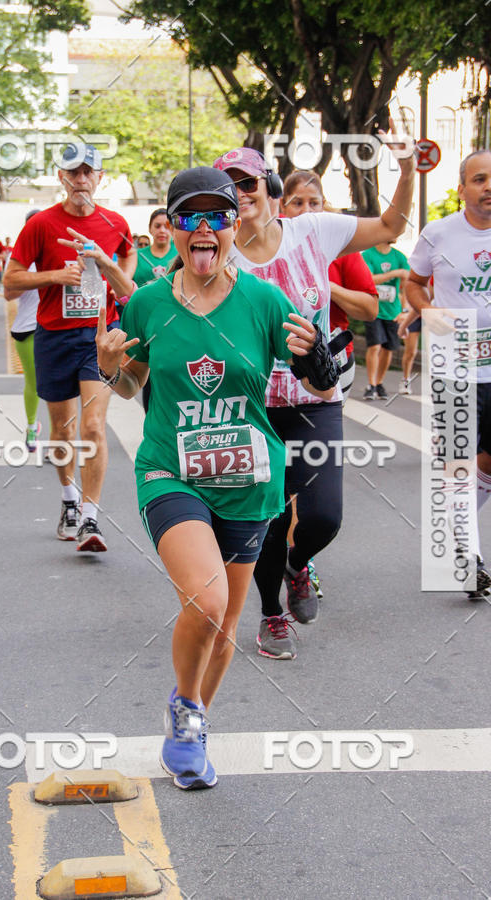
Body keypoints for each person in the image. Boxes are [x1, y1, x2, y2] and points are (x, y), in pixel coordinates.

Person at [95, 166, 338, 789]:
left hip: (250, 479)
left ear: (235, 224)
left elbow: (317, 385)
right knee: (204, 602)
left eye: (217, 216)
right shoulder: (147, 302)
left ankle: (195, 721)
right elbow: (130, 387)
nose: (204, 228)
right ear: (173, 227)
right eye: (189, 216)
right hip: (170, 471)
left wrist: (317, 359)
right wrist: (108, 367)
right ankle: (184, 705)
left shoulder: (263, 299)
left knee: (226, 621)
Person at [213, 133, 414, 658]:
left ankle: (298, 567)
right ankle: (272, 615)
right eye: (228, 188)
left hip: (315, 399)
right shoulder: (217, 259)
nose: (240, 194)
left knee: (324, 516)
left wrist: (408, 169)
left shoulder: (316, 231)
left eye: (248, 183)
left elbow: (391, 226)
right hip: (253, 409)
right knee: (267, 519)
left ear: (270, 188)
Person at [3, 143, 136, 551]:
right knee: (62, 430)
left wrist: (118, 280)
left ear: (100, 177)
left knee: (94, 425)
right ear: (61, 177)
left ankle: (92, 518)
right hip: (54, 335)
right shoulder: (41, 225)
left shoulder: (115, 222)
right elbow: (10, 283)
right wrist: (56, 275)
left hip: (99, 338)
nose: (81, 180)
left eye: (88, 173)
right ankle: (68, 499)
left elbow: (128, 254)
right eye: (73, 173)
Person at [406, 148, 491, 599]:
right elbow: (414, 283)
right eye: (479, 179)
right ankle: (469, 557)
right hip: (454, 363)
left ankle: (458, 525)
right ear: (462, 189)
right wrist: (427, 311)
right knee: (458, 465)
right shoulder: (438, 234)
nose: (488, 187)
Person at [281, 171, 378, 404]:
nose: (306, 211)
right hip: (274, 365)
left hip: (329, 360)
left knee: (322, 435)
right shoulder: (266, 247)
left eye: (314, 203)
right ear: (282, 206)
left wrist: (327, 286)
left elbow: (370, 309)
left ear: (323, 205)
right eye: (297, 203)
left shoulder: (340, 247)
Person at [133, 208, 179, 412]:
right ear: (150, 229)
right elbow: (127, 287)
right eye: (157, 225)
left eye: (166, 225)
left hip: (175, 324)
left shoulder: (181, 252)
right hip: (146, 325)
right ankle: (152, 419)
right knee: (149, 372)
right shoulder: (137, 256)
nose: (162, 230)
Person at [5, 210, 43, 450]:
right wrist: (41, 277)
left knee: (66, 384)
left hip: (59, 327)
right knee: (35, 382)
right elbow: (9, 293)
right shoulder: (20, 259)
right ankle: (31, 427)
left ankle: (64, 435)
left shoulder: (62, 253)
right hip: (28, 327)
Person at [362, 240, 409, 400]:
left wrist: (405, 311)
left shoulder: (399, 257)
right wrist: (394, 274)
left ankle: (379, 382)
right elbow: (368, 279)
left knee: (389, 348)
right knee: (375, 345)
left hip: (393, 311)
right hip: (374, 309)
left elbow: (406, 285)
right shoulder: (368, 255)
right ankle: (371, 384)